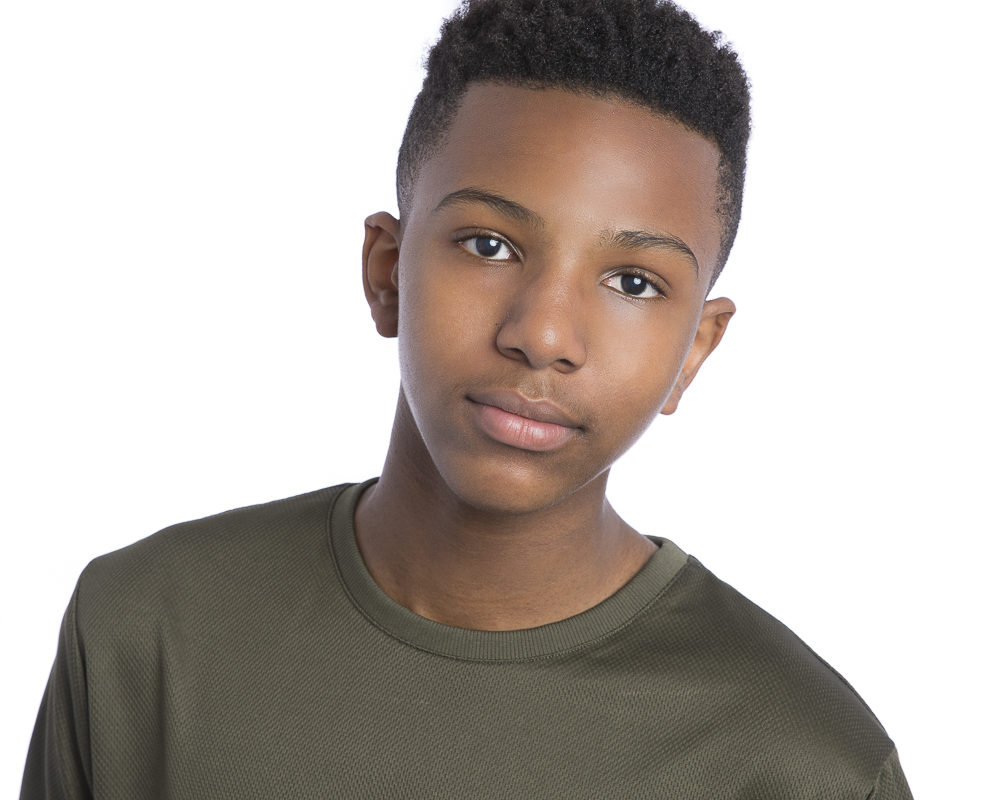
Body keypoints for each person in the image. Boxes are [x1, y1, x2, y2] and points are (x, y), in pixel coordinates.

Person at [20, 0, 913, 797]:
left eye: (634, 282)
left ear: (695, 352)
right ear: (386, 273)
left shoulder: (804, 767)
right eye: (489, 245)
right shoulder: (147, 632)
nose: (544, 334)